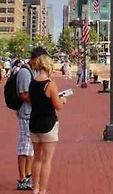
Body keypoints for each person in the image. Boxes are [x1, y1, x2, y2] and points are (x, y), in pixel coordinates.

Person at [29, 53, 66, 194]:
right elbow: (58, 106)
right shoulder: (50, 84)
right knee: (47, 160)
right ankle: (43, 190)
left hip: (34, 124)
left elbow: (32, 102)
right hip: (48, 125)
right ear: (48, 66)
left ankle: (35, 188)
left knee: (37, 158)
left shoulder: (32, 83)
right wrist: (63, 100)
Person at [15, 47, 48, 191]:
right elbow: (23, 94)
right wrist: (40, 99)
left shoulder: (32, 71)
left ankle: (28, 175)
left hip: (31, 114)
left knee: (30, 148)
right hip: (25, 114)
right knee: (24, 147)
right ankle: (22, 178)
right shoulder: (24, 72)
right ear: (37, 58)